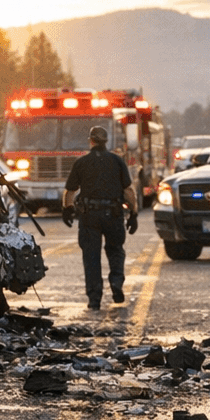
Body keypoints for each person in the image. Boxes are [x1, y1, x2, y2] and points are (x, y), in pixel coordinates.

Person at [61, 125, 138, 311]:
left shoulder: (81, 163)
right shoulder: (117, 161)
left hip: (89, 217)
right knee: (116, 250)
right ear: (106, 141)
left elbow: (70, 191)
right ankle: (117, 282)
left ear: (91, 141)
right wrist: (133, 213)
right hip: (113, 214)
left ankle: (94, 298)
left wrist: (68, 209)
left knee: (91, 257)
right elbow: (128, 190)